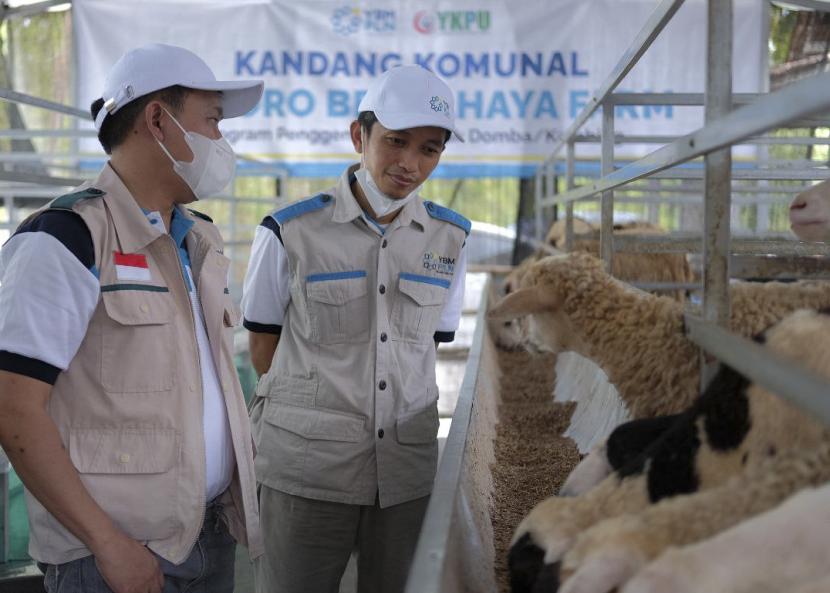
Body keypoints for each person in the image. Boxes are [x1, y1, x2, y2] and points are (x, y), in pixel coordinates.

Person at [0, 43, 264, 593]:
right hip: (112, 557)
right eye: (212, 121)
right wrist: (107, 543)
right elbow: (14, 406)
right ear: (158, 120)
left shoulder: (197, 238)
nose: (221, 141)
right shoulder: (67, 238)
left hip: (207, 532)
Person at [242, 64, 469, 593]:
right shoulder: (289, 231)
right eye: (395, 141)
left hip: (404, 472)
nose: (410, 164)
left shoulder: (450, 239)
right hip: (309, 470)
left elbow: (427, 347)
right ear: (358, 136)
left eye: (429, 149)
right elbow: (263, 346)